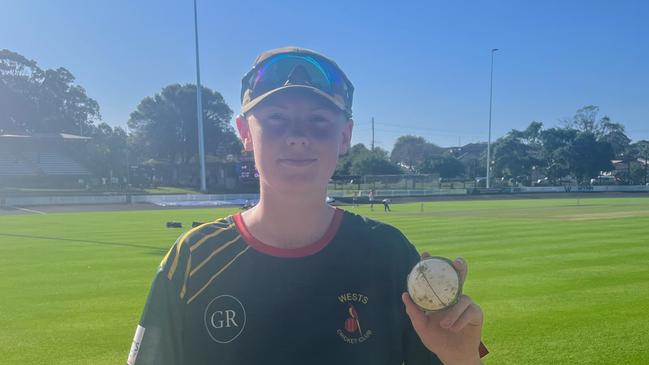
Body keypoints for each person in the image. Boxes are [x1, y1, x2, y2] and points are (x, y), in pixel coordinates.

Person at [127, 47, 487, 365]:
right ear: (245, 133)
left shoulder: (389, 254)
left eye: (318, 120)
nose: (297, 136)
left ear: (345, 136)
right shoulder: (192, 259)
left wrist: (461, 360)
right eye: (276, 119)